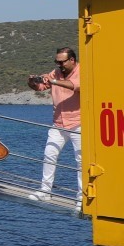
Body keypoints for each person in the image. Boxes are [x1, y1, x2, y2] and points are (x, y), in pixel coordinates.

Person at [27, 47, 82, 200]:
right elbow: (40, 87)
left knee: (81, 161)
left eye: (61, 62)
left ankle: (81, 198)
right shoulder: (56, 73)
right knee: (49, 155)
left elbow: (76, 86)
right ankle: (45, 191)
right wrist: (32, 82)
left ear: (72, 60)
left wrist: (54, 81)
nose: (59, 65)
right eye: (56, 62)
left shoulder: (83, 71)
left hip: (78, 123)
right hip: (58, 123)